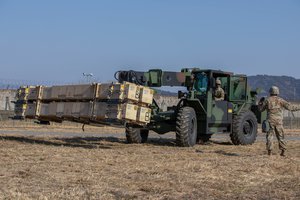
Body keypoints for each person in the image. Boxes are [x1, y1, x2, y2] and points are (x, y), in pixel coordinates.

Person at [258, 86, 300, 156]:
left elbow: (260, 110)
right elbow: (291, 108)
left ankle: (270, 152)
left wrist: (260, 103)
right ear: (277, 92)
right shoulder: (281, 100)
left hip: (270, 121)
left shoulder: (267, 100)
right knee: (281, 136)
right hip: (279, 121)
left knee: (270, 136)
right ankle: (283, 152)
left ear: (270, 92)